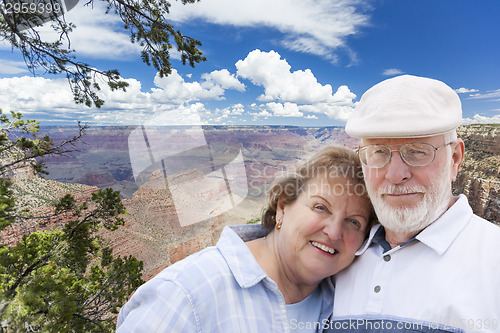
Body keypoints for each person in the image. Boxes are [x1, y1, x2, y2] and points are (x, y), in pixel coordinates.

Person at [116, 146, 375, 332]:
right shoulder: (185, 294)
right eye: (321, 207)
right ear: (283, 207)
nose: (334, 232)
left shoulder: (344, 303)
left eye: (354, 222)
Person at [325, 75, 500, 333]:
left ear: (455, 159)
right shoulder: (337, 254)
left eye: (418, 151)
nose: (396, 174)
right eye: (379, 152)